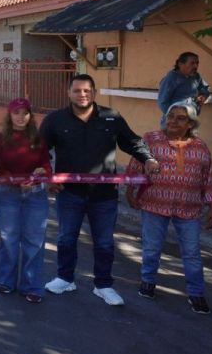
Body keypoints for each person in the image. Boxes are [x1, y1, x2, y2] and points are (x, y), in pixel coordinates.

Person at [40, 74, 159, 306]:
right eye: (77, 91)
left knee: (104, 242)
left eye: (86, 90)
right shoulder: (55, 120)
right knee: (65, 239)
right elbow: (41, 150)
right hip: (69, 193)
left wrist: (148, 159)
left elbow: (131, 141)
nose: (82, 95)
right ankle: (65, 278)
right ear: (69, 93)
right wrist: (48, 175)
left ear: (93, 92)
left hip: (103, 196)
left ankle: (103, 285)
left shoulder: (111, 117)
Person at [125, 101, 212, 315]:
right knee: (151, 247)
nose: (173, 121)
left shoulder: (200, 146)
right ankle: (148, 281)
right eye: (171, 116)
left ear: (190, 124)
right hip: (155, 203)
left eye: (180, 118)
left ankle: (196, 293)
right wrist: (130, 192)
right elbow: (135, 167)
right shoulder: (150, 139)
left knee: (192, 253)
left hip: (189, 208)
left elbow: (208, 179)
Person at [0, 98, 52, 304]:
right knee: (8, 238)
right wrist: (16, 182)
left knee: (34, 240)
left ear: (30, 116)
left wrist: (43, 171)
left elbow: (46, 163)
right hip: (8, 193)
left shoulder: (38, 138)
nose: (21, 117)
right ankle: (6, 281)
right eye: (16, 113)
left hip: (35, 194)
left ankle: (32, 286)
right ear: (10, 115)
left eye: (25, 113)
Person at [156, 52, 210, 126]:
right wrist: (176, 119)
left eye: (197, 63)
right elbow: (162, 102)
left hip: (190, 120)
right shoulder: (171, 78)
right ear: (180, 64)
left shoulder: (196, 76)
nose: (196, 66)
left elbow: (205, 88)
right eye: (192, 63)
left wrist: (203, 96)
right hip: (173, 124)